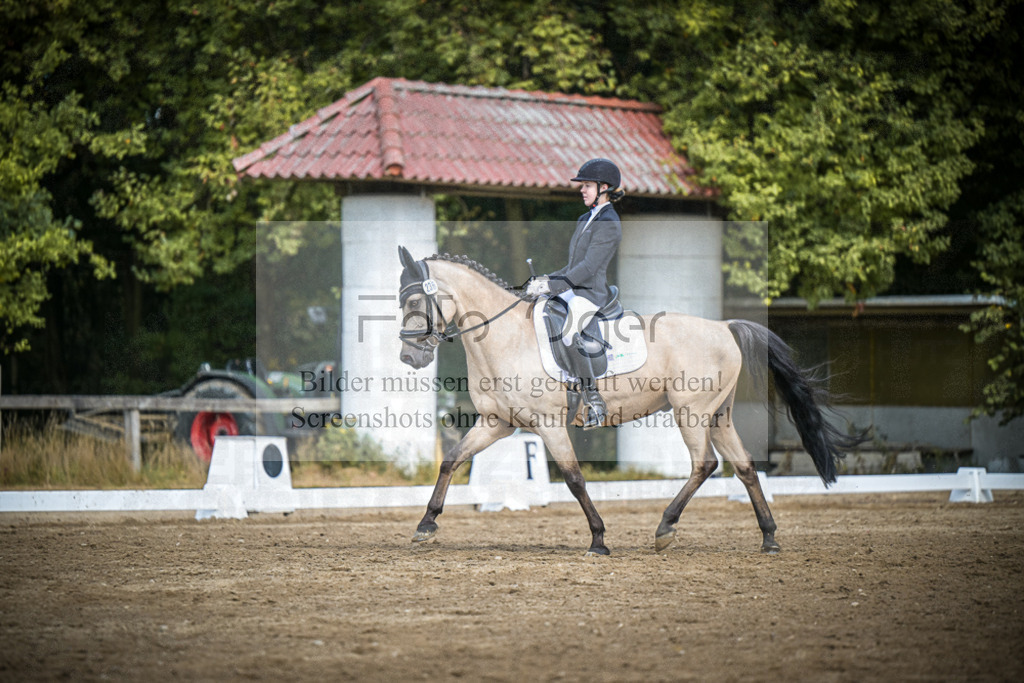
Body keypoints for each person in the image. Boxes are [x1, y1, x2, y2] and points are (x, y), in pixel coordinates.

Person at [527, 158, 625, 428]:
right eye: (582, 185)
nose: (582, 190)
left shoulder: (609, 222)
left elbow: (590, 267)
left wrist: (555, 285)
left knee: (570, 333)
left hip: (590, 294)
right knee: (540, 312)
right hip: (574, 289)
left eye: (587, 185)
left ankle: (594, 400)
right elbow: (572, 266)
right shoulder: (585, 218)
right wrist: (545, 281)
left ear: (604, 187)